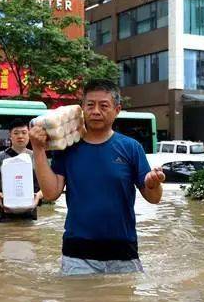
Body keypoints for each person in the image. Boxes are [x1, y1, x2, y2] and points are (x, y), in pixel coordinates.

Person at [30, 79, 165, 276]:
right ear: (82, 107)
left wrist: (154, 183)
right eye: (90, 105)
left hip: (123, 252)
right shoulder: (67, 148)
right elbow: (50, 193)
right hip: (77, 254)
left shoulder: (131, 148)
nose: (95, 111)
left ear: (117, 110)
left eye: (104, 106)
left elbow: (154, 198)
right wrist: (38, 149)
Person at [0, 119, 43, 223]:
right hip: (6, 209)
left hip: (30, 209)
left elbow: (45, 186)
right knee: (6, 236)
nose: (20, 136)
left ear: (29, 135)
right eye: (16, 133)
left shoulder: (37, 156)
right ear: (10, 135)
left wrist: (38, 196)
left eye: (24, 132)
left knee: (30, 237)